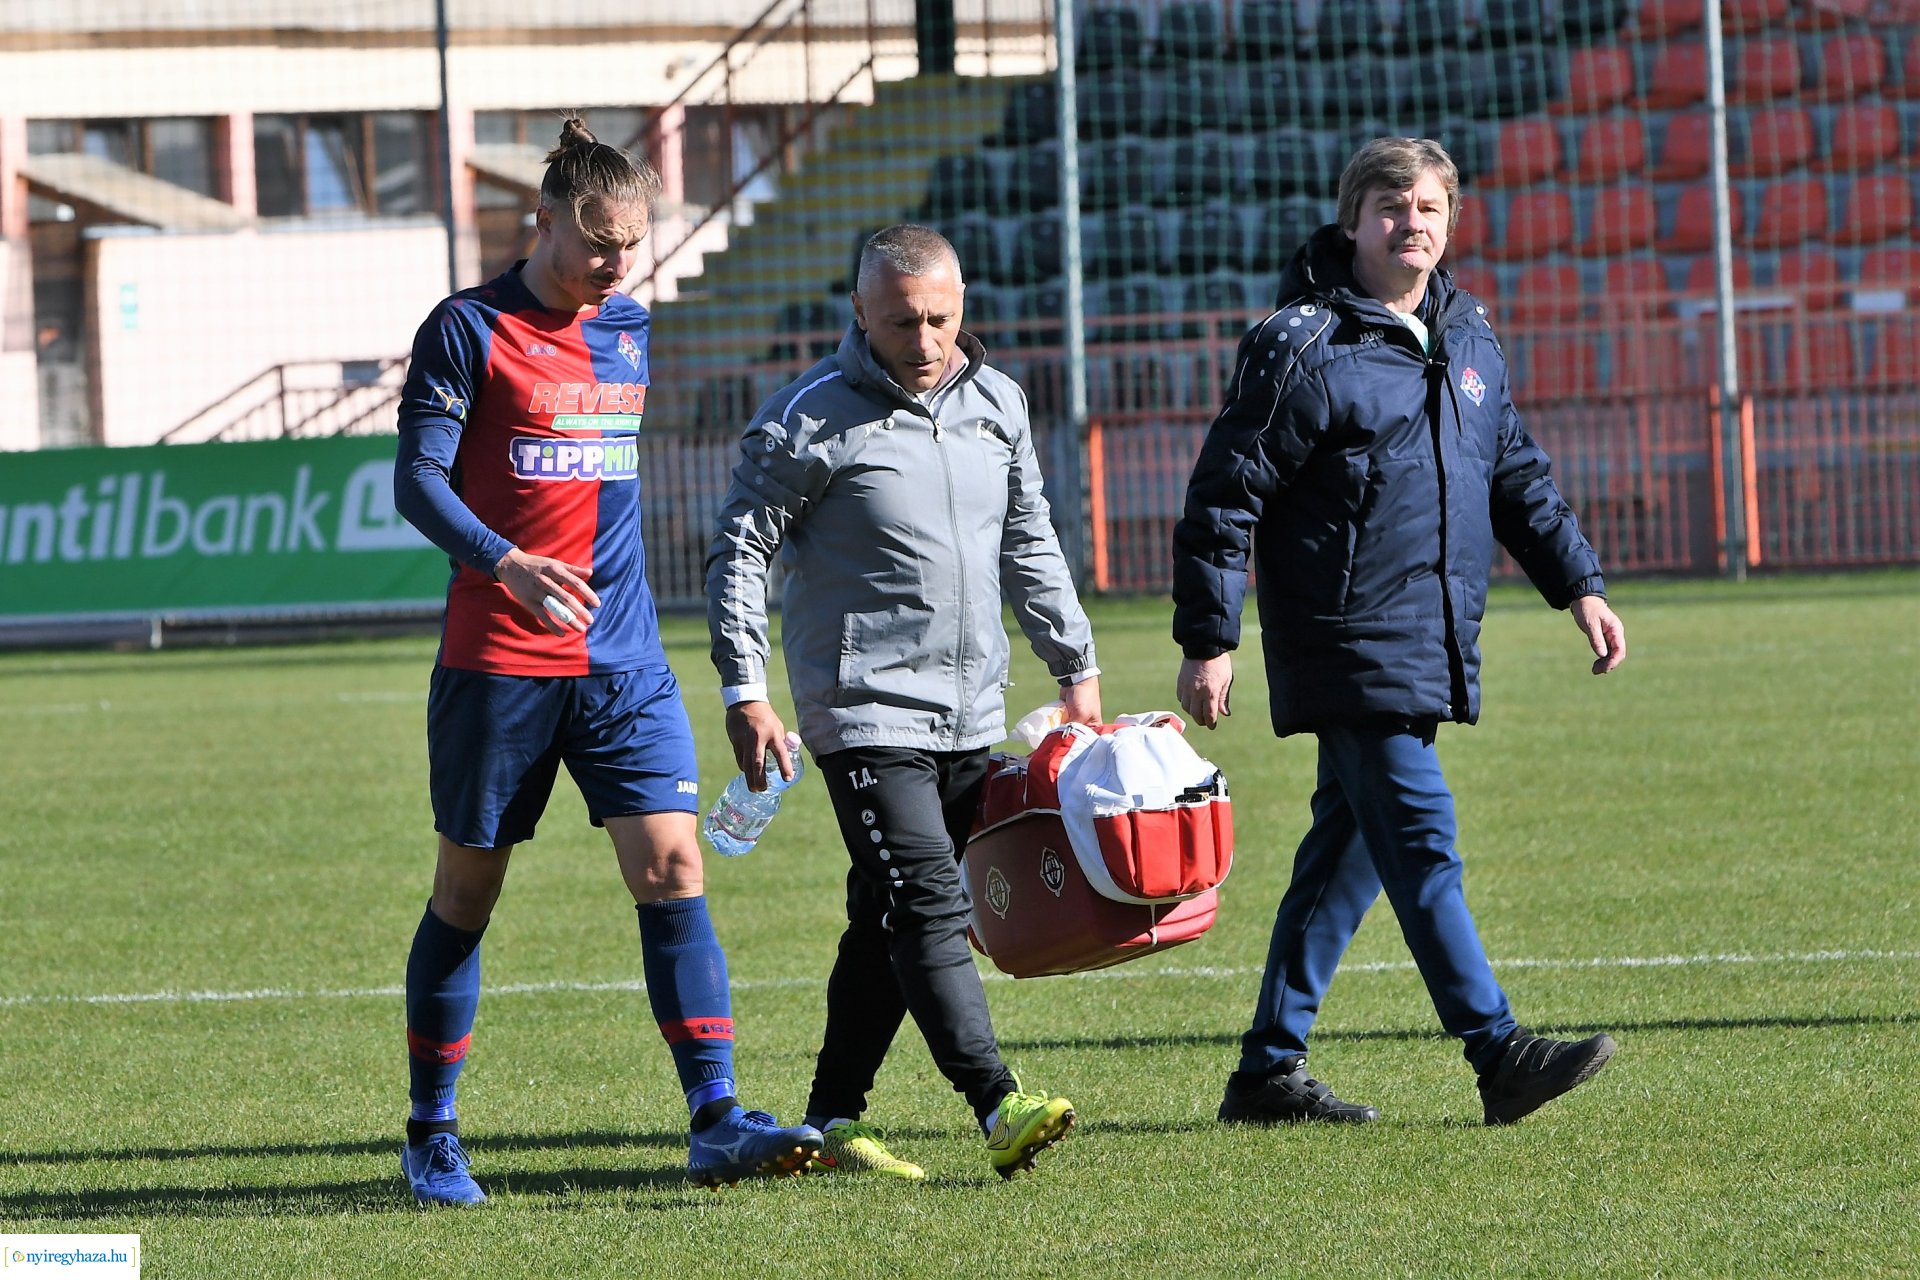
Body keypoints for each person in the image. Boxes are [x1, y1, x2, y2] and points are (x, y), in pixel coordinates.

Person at [390, 116, 820, 1205]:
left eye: (631, 244)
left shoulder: (628, 325)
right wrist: (506, 562)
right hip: (499, 661)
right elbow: (416, 484)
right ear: (541, 220)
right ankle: (431, 1131)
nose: (616, 264)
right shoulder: (466, 329)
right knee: (468, 890)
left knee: (675, 868)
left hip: (623, 661)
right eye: (598, 242)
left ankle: (715, 1115)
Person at [1169, 137, 1627, 1128]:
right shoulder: (1302, 344)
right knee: (1420, 835)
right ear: (1353, 223)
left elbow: (1517, 475)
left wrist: (1578, 584)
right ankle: (1500, 1050)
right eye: (1389, 205)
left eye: (1426, 205)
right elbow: (1224, 496)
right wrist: (1211, 638)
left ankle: (1265, 1072)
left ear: (1449, 223)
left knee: (1350, 851)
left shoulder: (1468, 337)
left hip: (1426, 639)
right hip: (1344, 639)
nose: (1409, 221)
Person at [705, 223, 1099, 1181]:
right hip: (861, 708)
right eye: (900, 322)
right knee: (929, 897)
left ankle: (832, 1119)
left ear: (962, 308)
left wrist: (1074, 667)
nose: (923, 341)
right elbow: (738, 552)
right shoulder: (806, 416)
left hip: (971, 708)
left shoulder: (997, 402)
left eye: (940, 320)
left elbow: (1030, 542)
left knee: (882, 911)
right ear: (859, 312)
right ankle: (997, 1102)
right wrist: (745, 689)